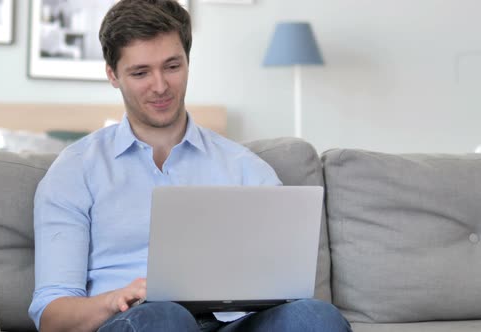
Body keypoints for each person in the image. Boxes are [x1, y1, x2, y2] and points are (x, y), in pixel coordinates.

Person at [29, 0, 352, 331]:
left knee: (315, 316)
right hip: (136, 322)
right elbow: (52, 316)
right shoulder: (75, 170)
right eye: (140, 72)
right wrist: (115, 299)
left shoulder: (245, 169)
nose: (160, 86)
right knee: (164, 315)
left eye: (172, 66)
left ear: (187, 62)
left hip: (233, 323)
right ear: (113, 75)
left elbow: (283, 287)